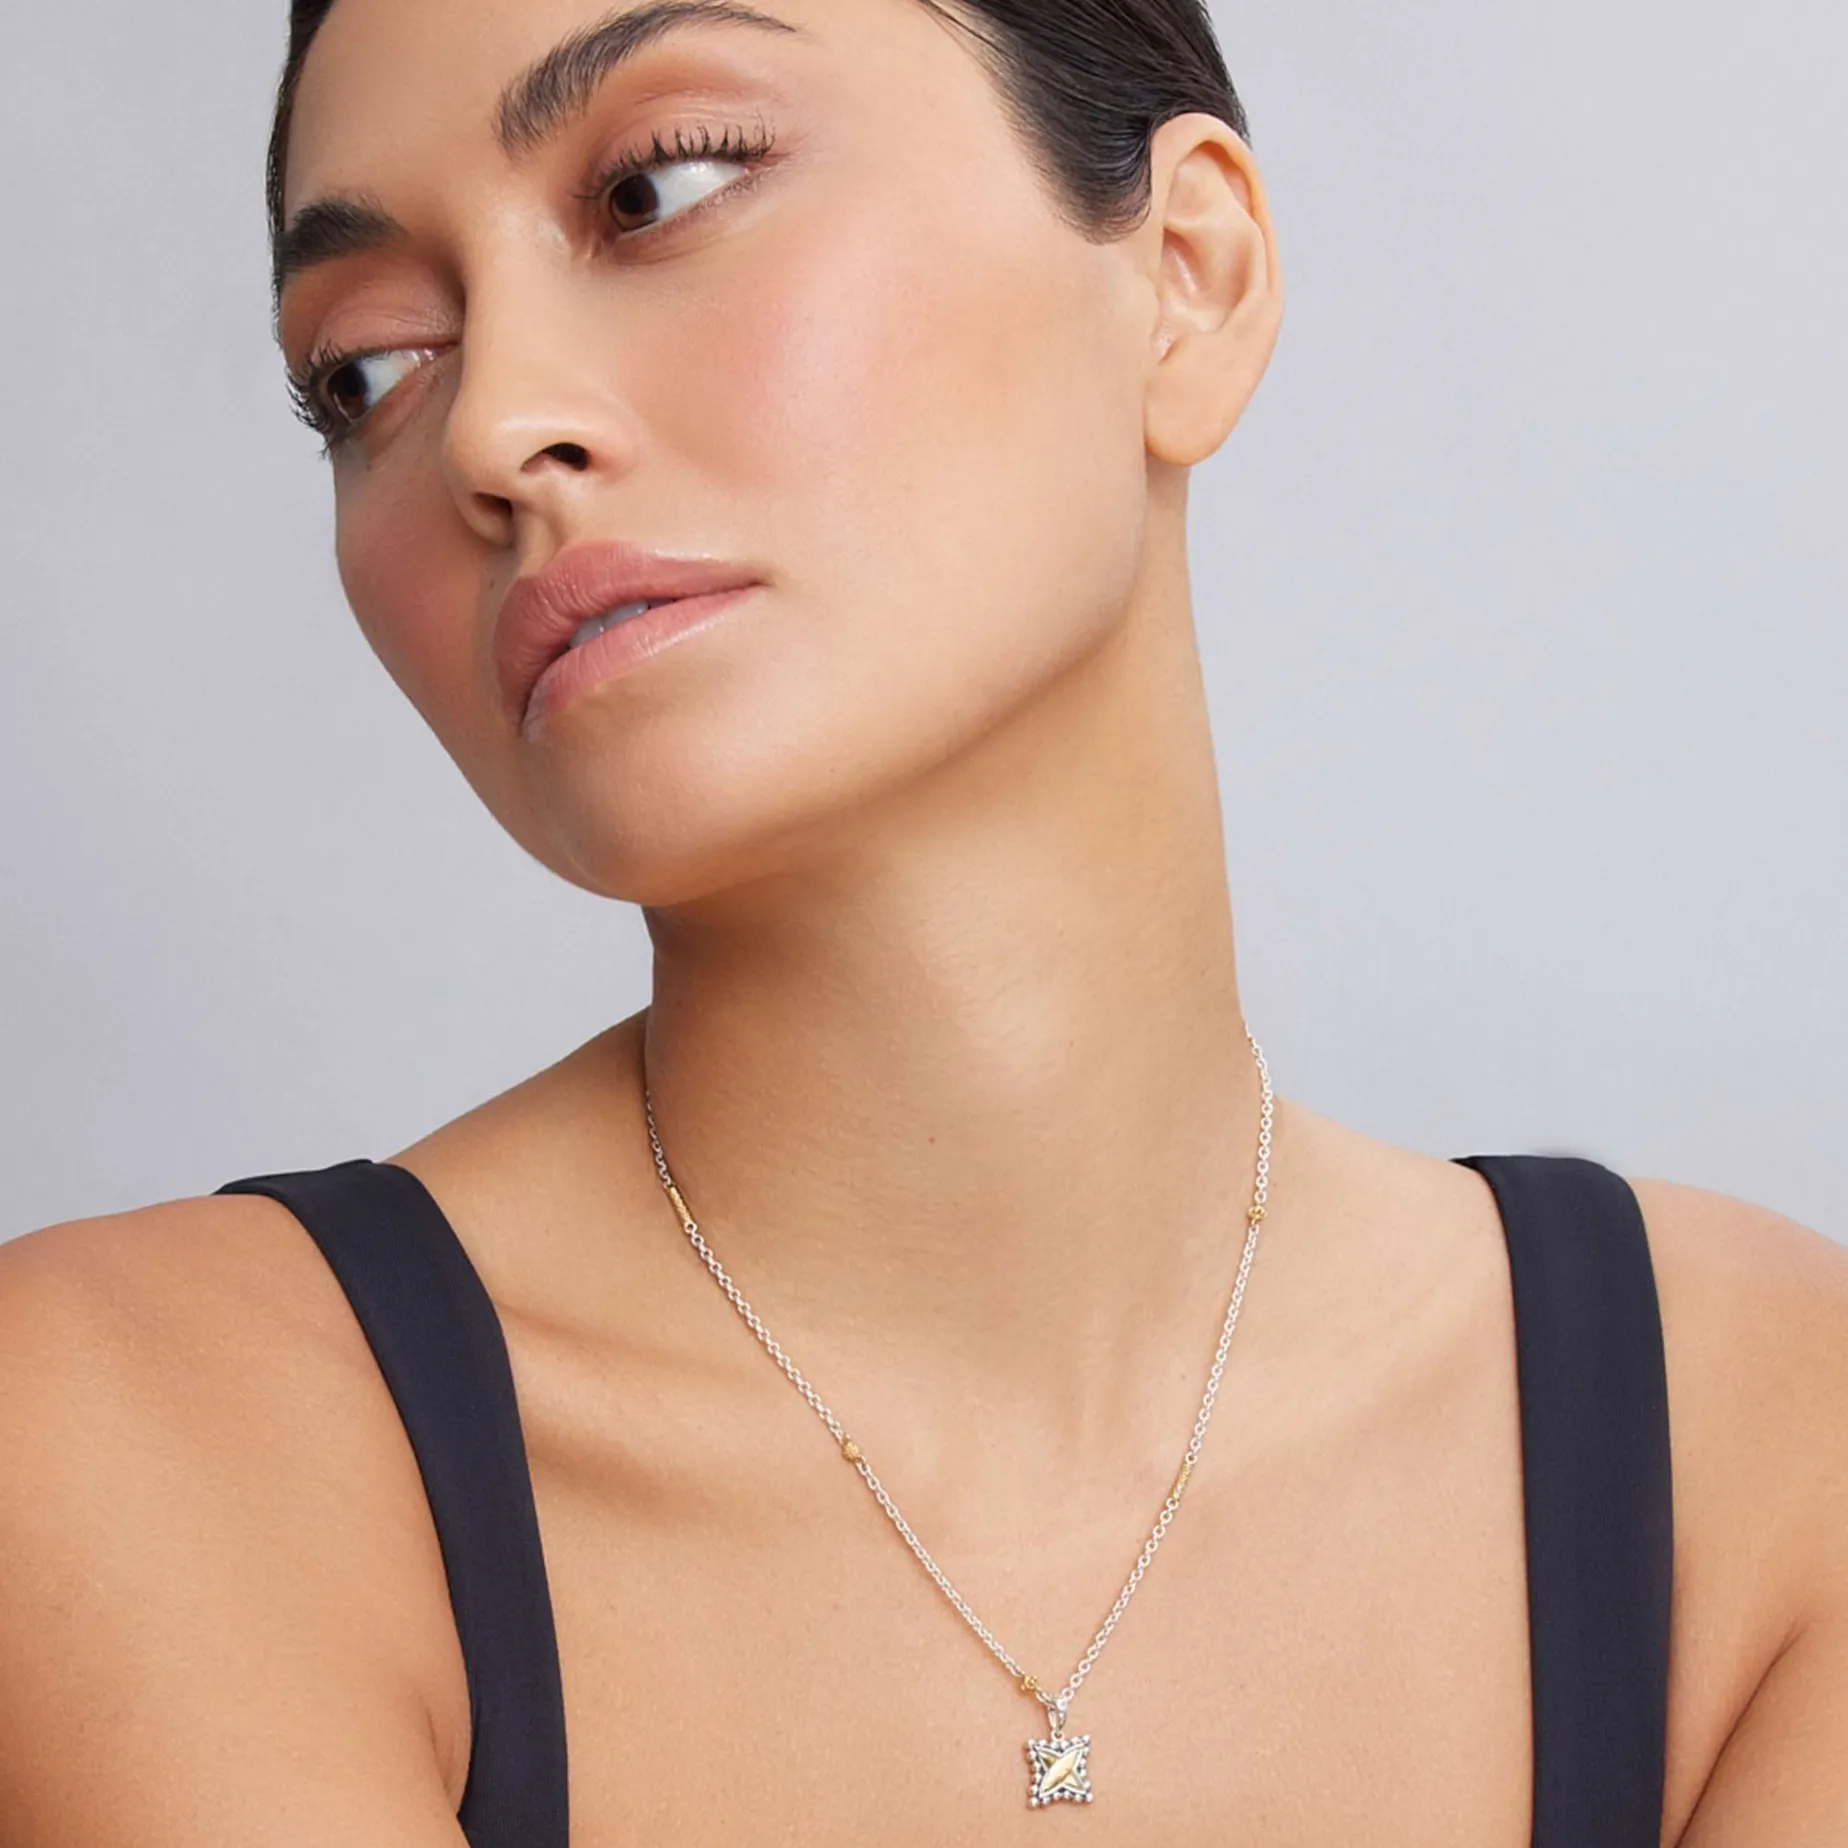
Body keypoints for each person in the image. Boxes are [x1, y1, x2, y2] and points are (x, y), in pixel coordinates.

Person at [1, 0, 1843, 1841]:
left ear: (1185, 278)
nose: (490, 427)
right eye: (370, 370)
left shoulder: (1763, 1443)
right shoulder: (157, 1435)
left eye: (658, 189)